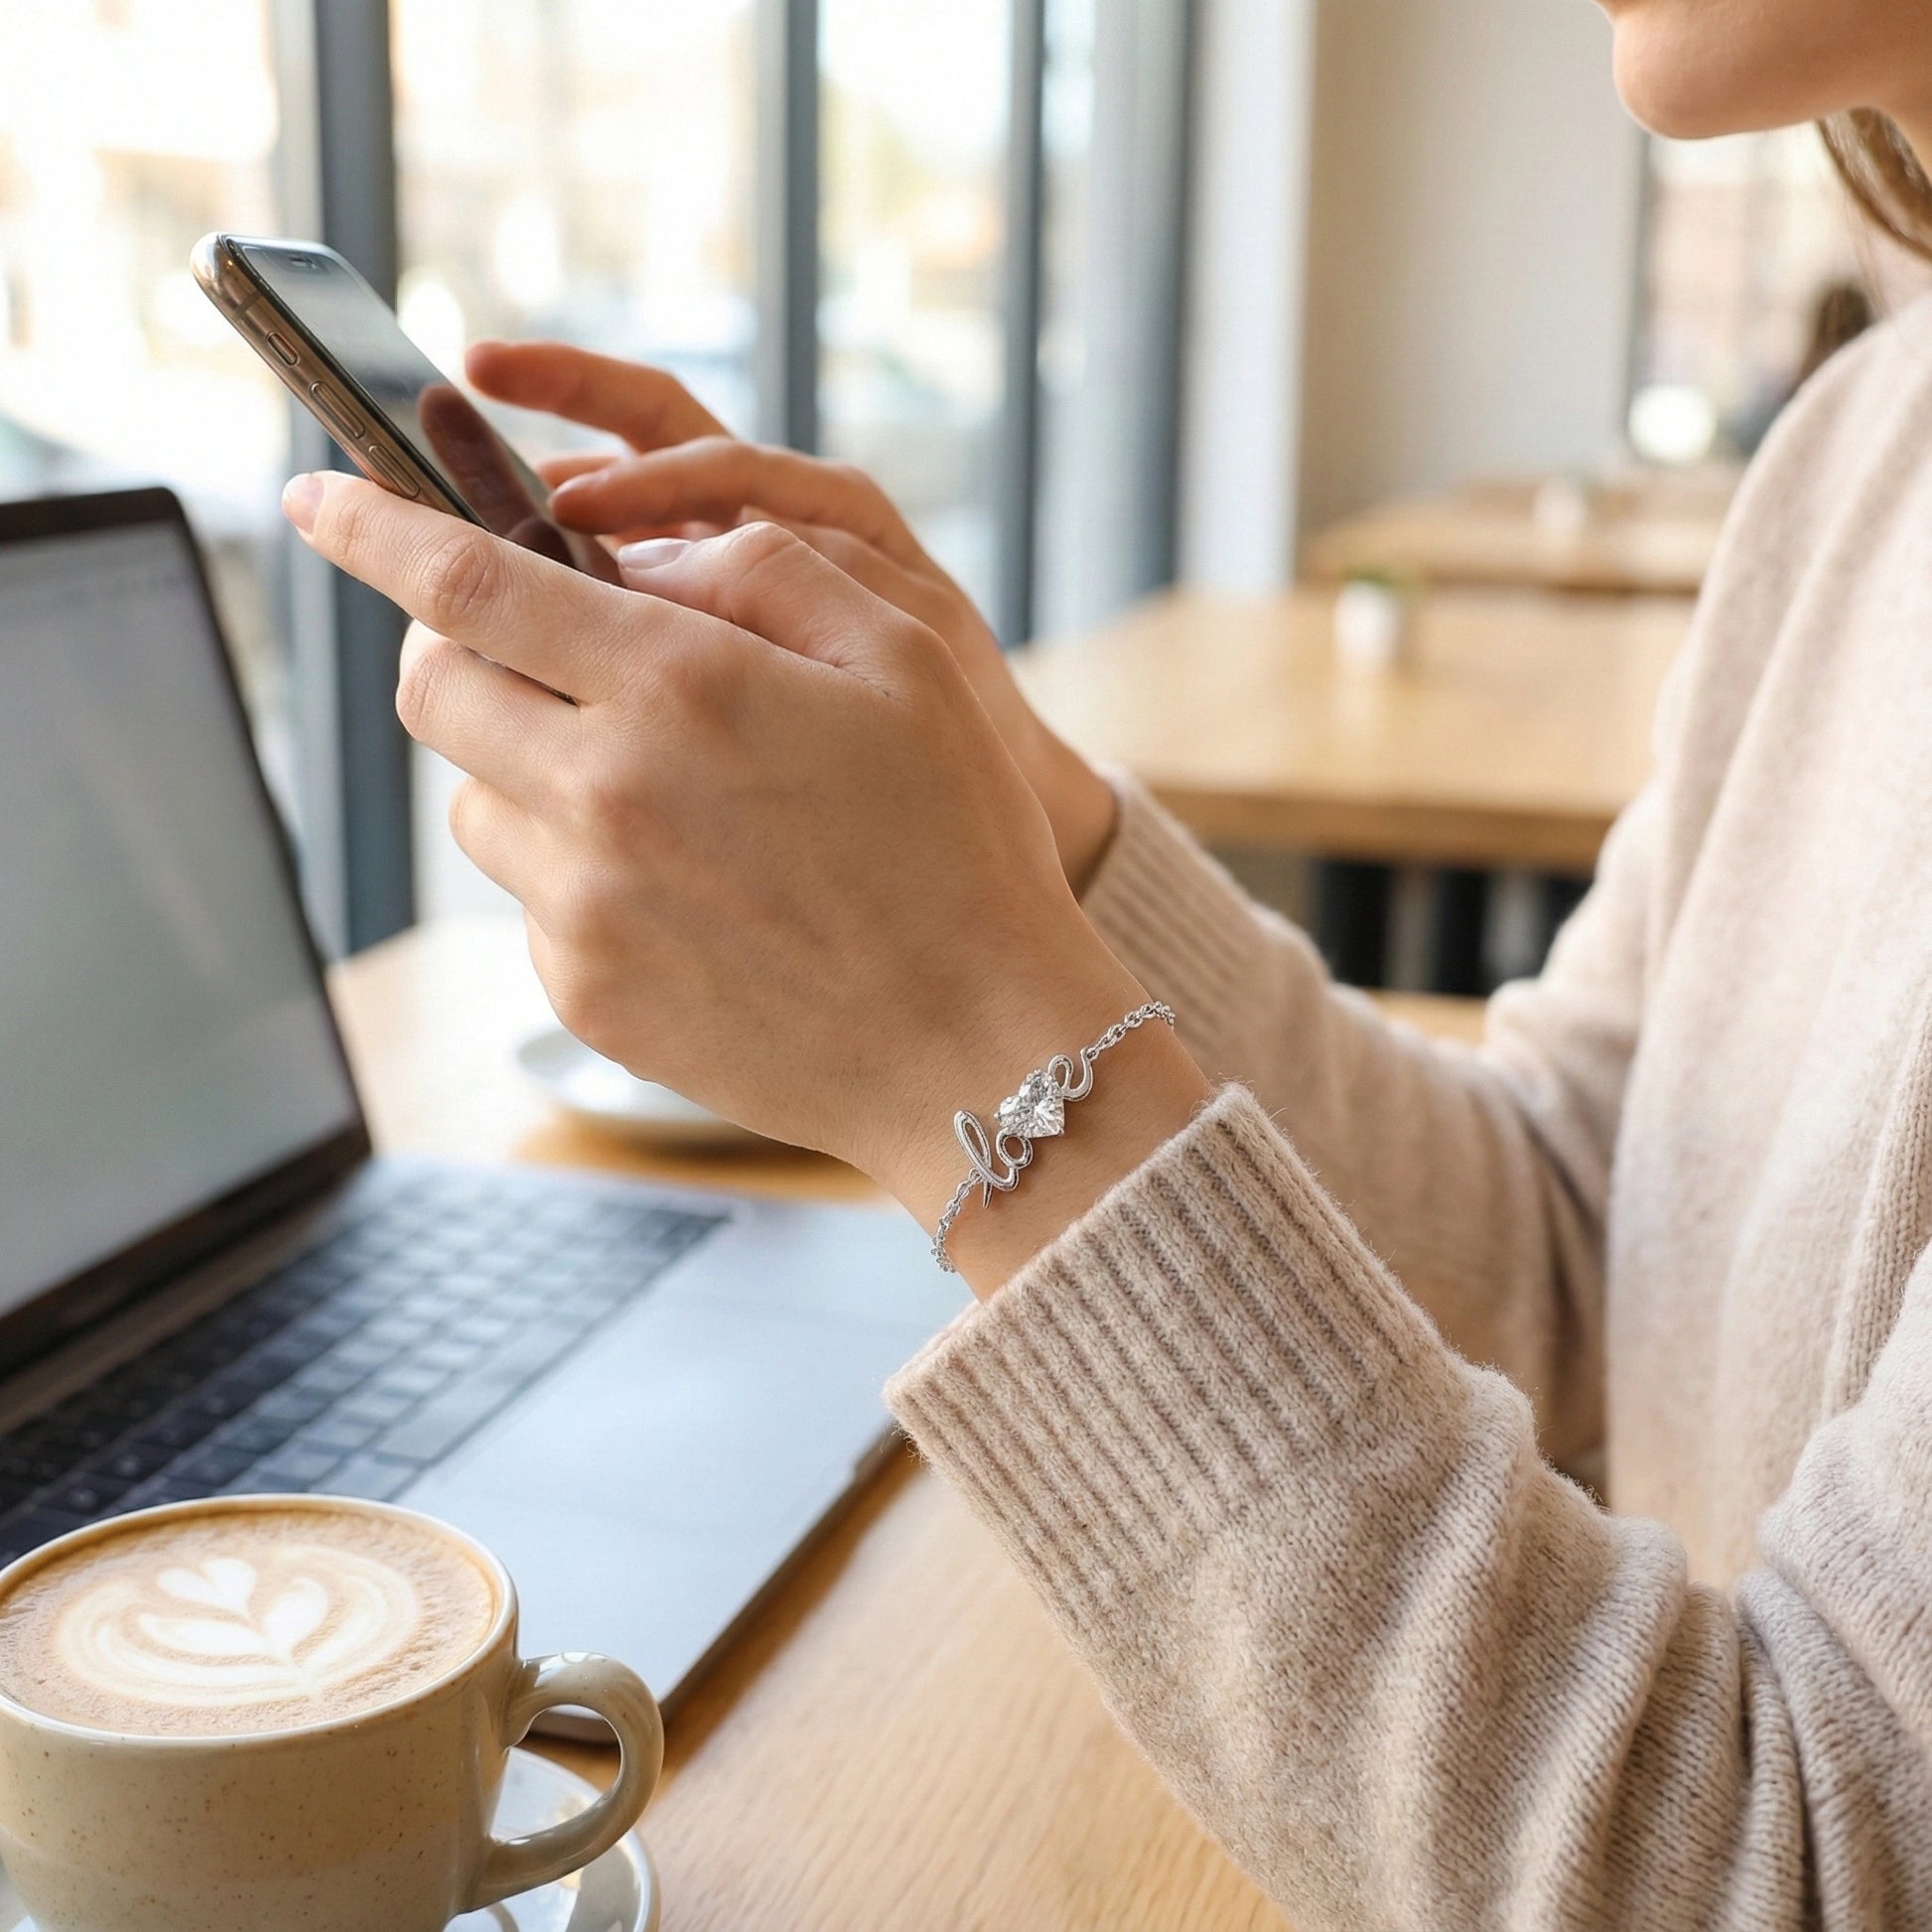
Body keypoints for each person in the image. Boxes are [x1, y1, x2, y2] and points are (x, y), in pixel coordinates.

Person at [278, 3, 1932, 1921]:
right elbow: (1577, 1264)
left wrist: (972, 1045)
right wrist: (1022, 837)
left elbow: (1801, 1872)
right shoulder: (1862, 449)